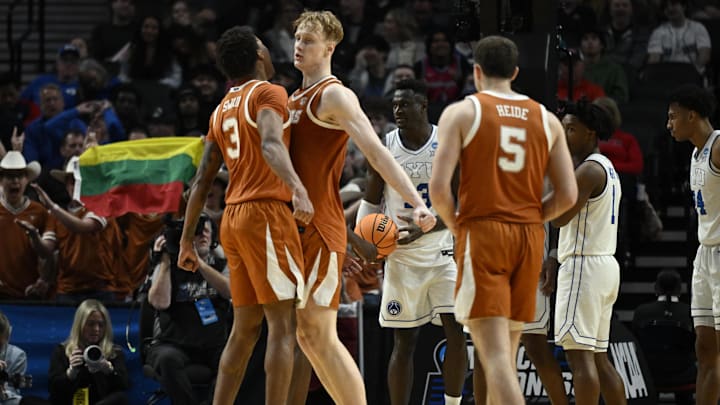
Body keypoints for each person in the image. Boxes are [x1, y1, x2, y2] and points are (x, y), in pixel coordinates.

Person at [286, 10, 436, 405]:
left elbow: (379, 154)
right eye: (297, 38)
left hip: (320, 228)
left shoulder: (334, 94)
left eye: (309, 40)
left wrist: (418, 203)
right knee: (304, 335)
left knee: (319, 334)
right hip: (298, 226)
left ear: (330, 47)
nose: (299, 46)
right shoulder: (293, 97)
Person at [428, 35, 577, 404]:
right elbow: (568, 195)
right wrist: (532, 216)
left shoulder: (463, 112)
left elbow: (439, 190)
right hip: (528, 236)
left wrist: (459, 224)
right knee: (505, 354)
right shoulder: (546, 119)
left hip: (484, 232)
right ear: (514, 72)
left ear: (475, 71)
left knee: (491, 355)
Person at [177, 26, 314, 405]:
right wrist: (298, 188)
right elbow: (271, 143)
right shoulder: (270, 92)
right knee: (286, 327)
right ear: (258, 55)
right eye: (266, 46)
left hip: (233, 220)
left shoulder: (220, 110)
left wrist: (187, 242)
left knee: (245, 328)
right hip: (265, 213)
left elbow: (201, 183)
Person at [356, 79, 467, 405]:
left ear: (423, 105)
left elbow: (464, 206)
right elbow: (371, 198)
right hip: (402, 255)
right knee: (403, 342)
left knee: (455, 333)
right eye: (394, 105)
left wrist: (430, 228)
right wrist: (365, 242)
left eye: (405, 104)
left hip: (444, 250)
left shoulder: (447, 143)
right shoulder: (386, 145)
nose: (398, 110)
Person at [551, 100, 626, 405]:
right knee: (598, 358)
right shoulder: (606, 166)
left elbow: (558, 217)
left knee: (579, 359)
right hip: (604, 267)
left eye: (571, 129)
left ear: (590, 133)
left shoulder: (588, 171)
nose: (564, 134)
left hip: (583, 268)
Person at [666, 84, 720, 405]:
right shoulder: (695, 152)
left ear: (692, 114)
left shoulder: (717, 147)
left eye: (673, 117)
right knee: (704, 346)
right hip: (705, 255)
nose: (669, 124)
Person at [146, 215, 230, 405]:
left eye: (207, 231)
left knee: (235, 359)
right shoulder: (167, 266)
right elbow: (159, 302)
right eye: (197, 231)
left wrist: (199, 264)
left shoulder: (222, 265)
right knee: (167, 359)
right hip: (173, 343)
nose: (203, 235)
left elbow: (230, 292)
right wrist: (166, 260)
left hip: (214, 344)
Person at [519, 224, 568, 405]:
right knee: (484, 352)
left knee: (535, 345)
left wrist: (554, 256)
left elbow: (556, 218)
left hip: (530, 261)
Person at [632, 269, 696, 405]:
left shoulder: (642, 312)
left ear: (656, 287)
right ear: (679, 289)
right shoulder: (690, 312)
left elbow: (636, 344)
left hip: (651, 374)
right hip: (684, 375)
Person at [48, 299, 129, 405]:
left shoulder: (114, 352)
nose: (96, 329)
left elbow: (124, 386)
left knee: (120, 398)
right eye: (90, 324)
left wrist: (109, 371)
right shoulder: (62, 351)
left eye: (101, 325)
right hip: (69, 401)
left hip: (100, 402)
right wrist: (70, 373)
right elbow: (53, 390)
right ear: (80, 325)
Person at [0, 152, 54, 300]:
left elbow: (50, 253)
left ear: (27, 180)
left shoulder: (40, 211)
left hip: (29, 294)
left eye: (20, 176)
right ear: (1, 180)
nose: (15, 181)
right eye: (10, 176)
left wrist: (44, 280)